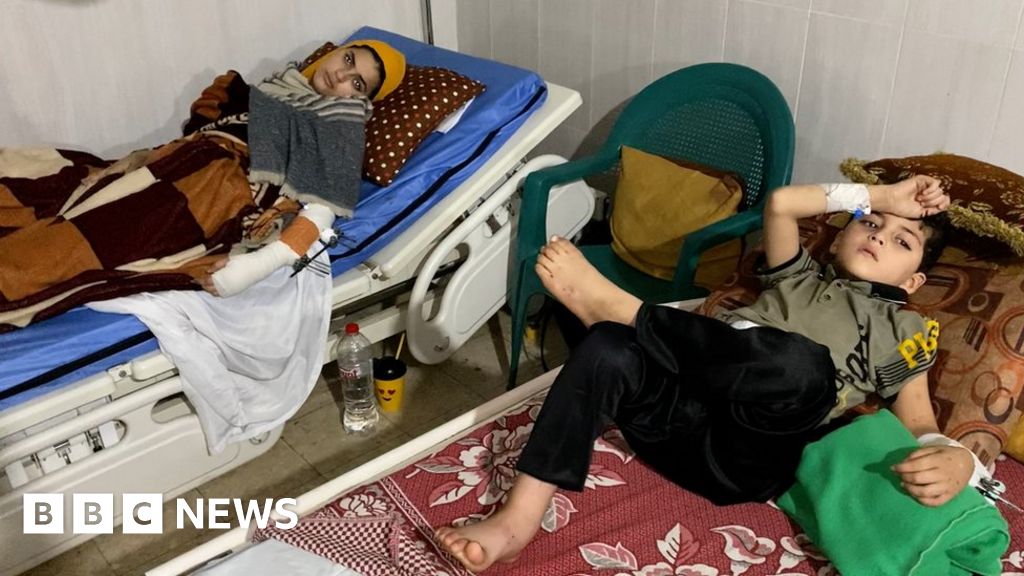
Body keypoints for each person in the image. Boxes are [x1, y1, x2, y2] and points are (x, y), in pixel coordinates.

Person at [435, 175, 979, 572]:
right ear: (839, 236)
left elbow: (919, 421)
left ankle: (627, 311)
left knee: (803, 364)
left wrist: (961, 462)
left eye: (902, 241)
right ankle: (517, 520)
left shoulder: (903, 327)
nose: (880, 236)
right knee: (607, 348)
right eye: (871, 223)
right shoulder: (798, 278)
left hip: (743, 454)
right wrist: (882, 195)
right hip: (671, 419)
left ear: (913, 282)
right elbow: (783, 203)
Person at [0, 39, 405, 330]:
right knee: (44, 182)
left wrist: (258, 265)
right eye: (348, 59)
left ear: (362, 99)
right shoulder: (279, 88)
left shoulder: (343, 122)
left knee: (79, 241)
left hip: (212, 188)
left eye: (357, 83)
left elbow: (321, 211)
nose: (341, 75)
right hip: (178, 163)